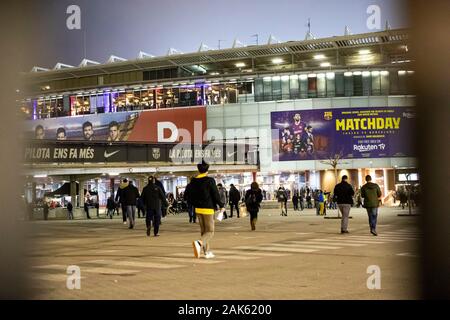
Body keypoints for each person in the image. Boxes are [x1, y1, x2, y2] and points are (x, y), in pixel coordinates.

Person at [190, 160, 224, 259]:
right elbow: (215, 195)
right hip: (208, 209)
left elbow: (190, 195)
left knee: (204, 232)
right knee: (210, 231)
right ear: (207, 170)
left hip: (198, 209)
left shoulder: (194, 181)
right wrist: (221, 205)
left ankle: (207, 252)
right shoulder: (210, 181)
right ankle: (198, 244)